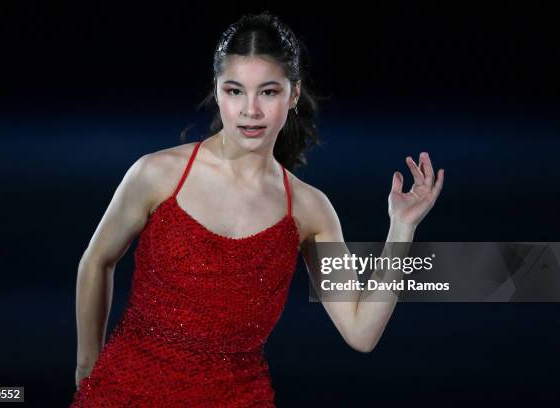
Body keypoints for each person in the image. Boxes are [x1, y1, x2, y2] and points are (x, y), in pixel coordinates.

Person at [70, 11, 444, 407]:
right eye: (235, 91)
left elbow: (361, 331)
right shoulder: (157, 173)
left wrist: (401, 229)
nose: (251, 110)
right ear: (217, 91)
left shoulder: (309, 208)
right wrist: (87, 368)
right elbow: (96, 261)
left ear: (293, 94)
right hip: (128, 390)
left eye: (268, 92)